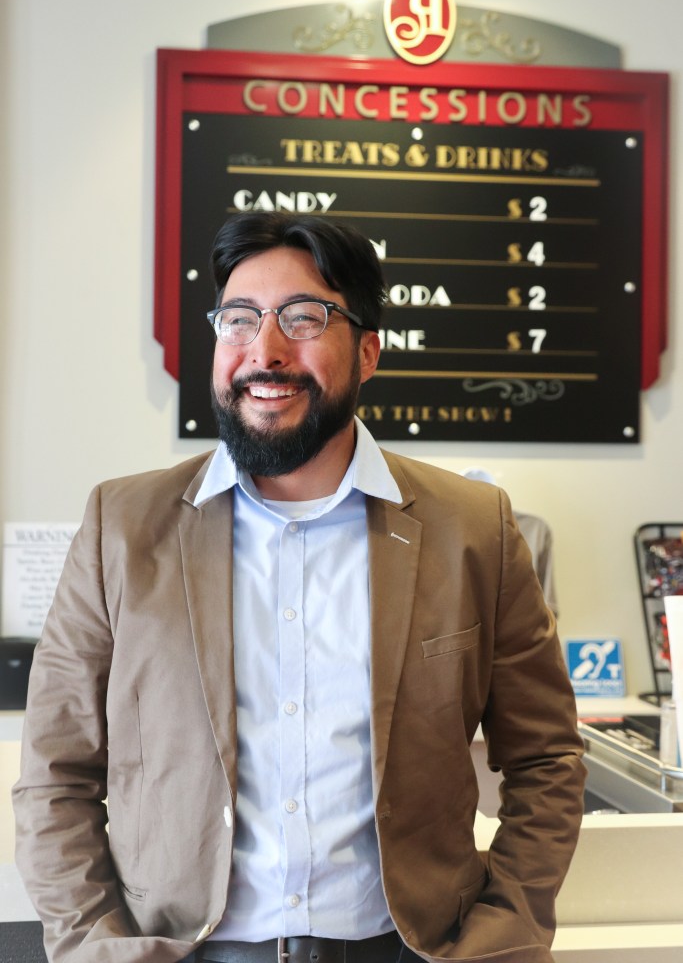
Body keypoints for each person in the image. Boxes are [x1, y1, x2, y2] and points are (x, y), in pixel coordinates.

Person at [13, 212, 586, 963]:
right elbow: (55, 775)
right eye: (239, 319)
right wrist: (96, 945)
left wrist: (505, 931)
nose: (265, 350)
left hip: (405, 949)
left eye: (304, 318)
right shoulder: (120, 527)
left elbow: (547, 759)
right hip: (184, 951)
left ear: (368, 351)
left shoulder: (474, 528)